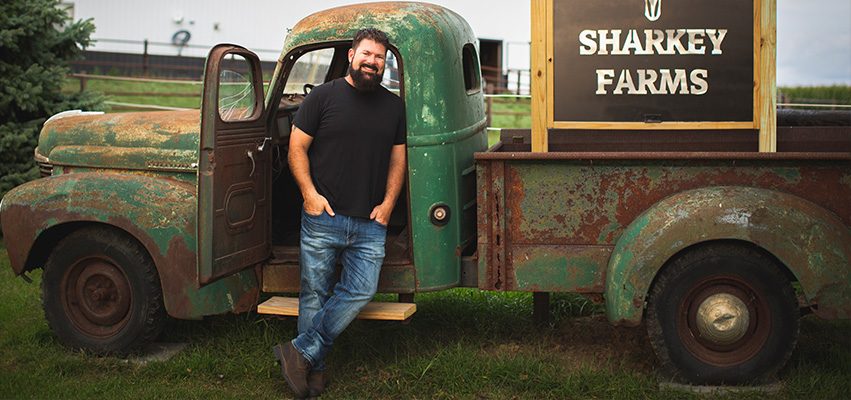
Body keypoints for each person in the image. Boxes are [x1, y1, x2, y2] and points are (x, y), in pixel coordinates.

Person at [273, 28, 406, 399]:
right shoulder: (323, 97)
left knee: (361, 290)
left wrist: (389, 204)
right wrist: (309, 195)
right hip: (323, 215)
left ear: (385, 63)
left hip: (370, 221)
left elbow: (398, 159)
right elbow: (297, 148)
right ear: (351, 55)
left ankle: (300, 352)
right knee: (314, 292)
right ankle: (313, 370)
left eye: (379, 57)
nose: (372, 61)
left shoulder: (394, 107)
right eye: (367, 54)